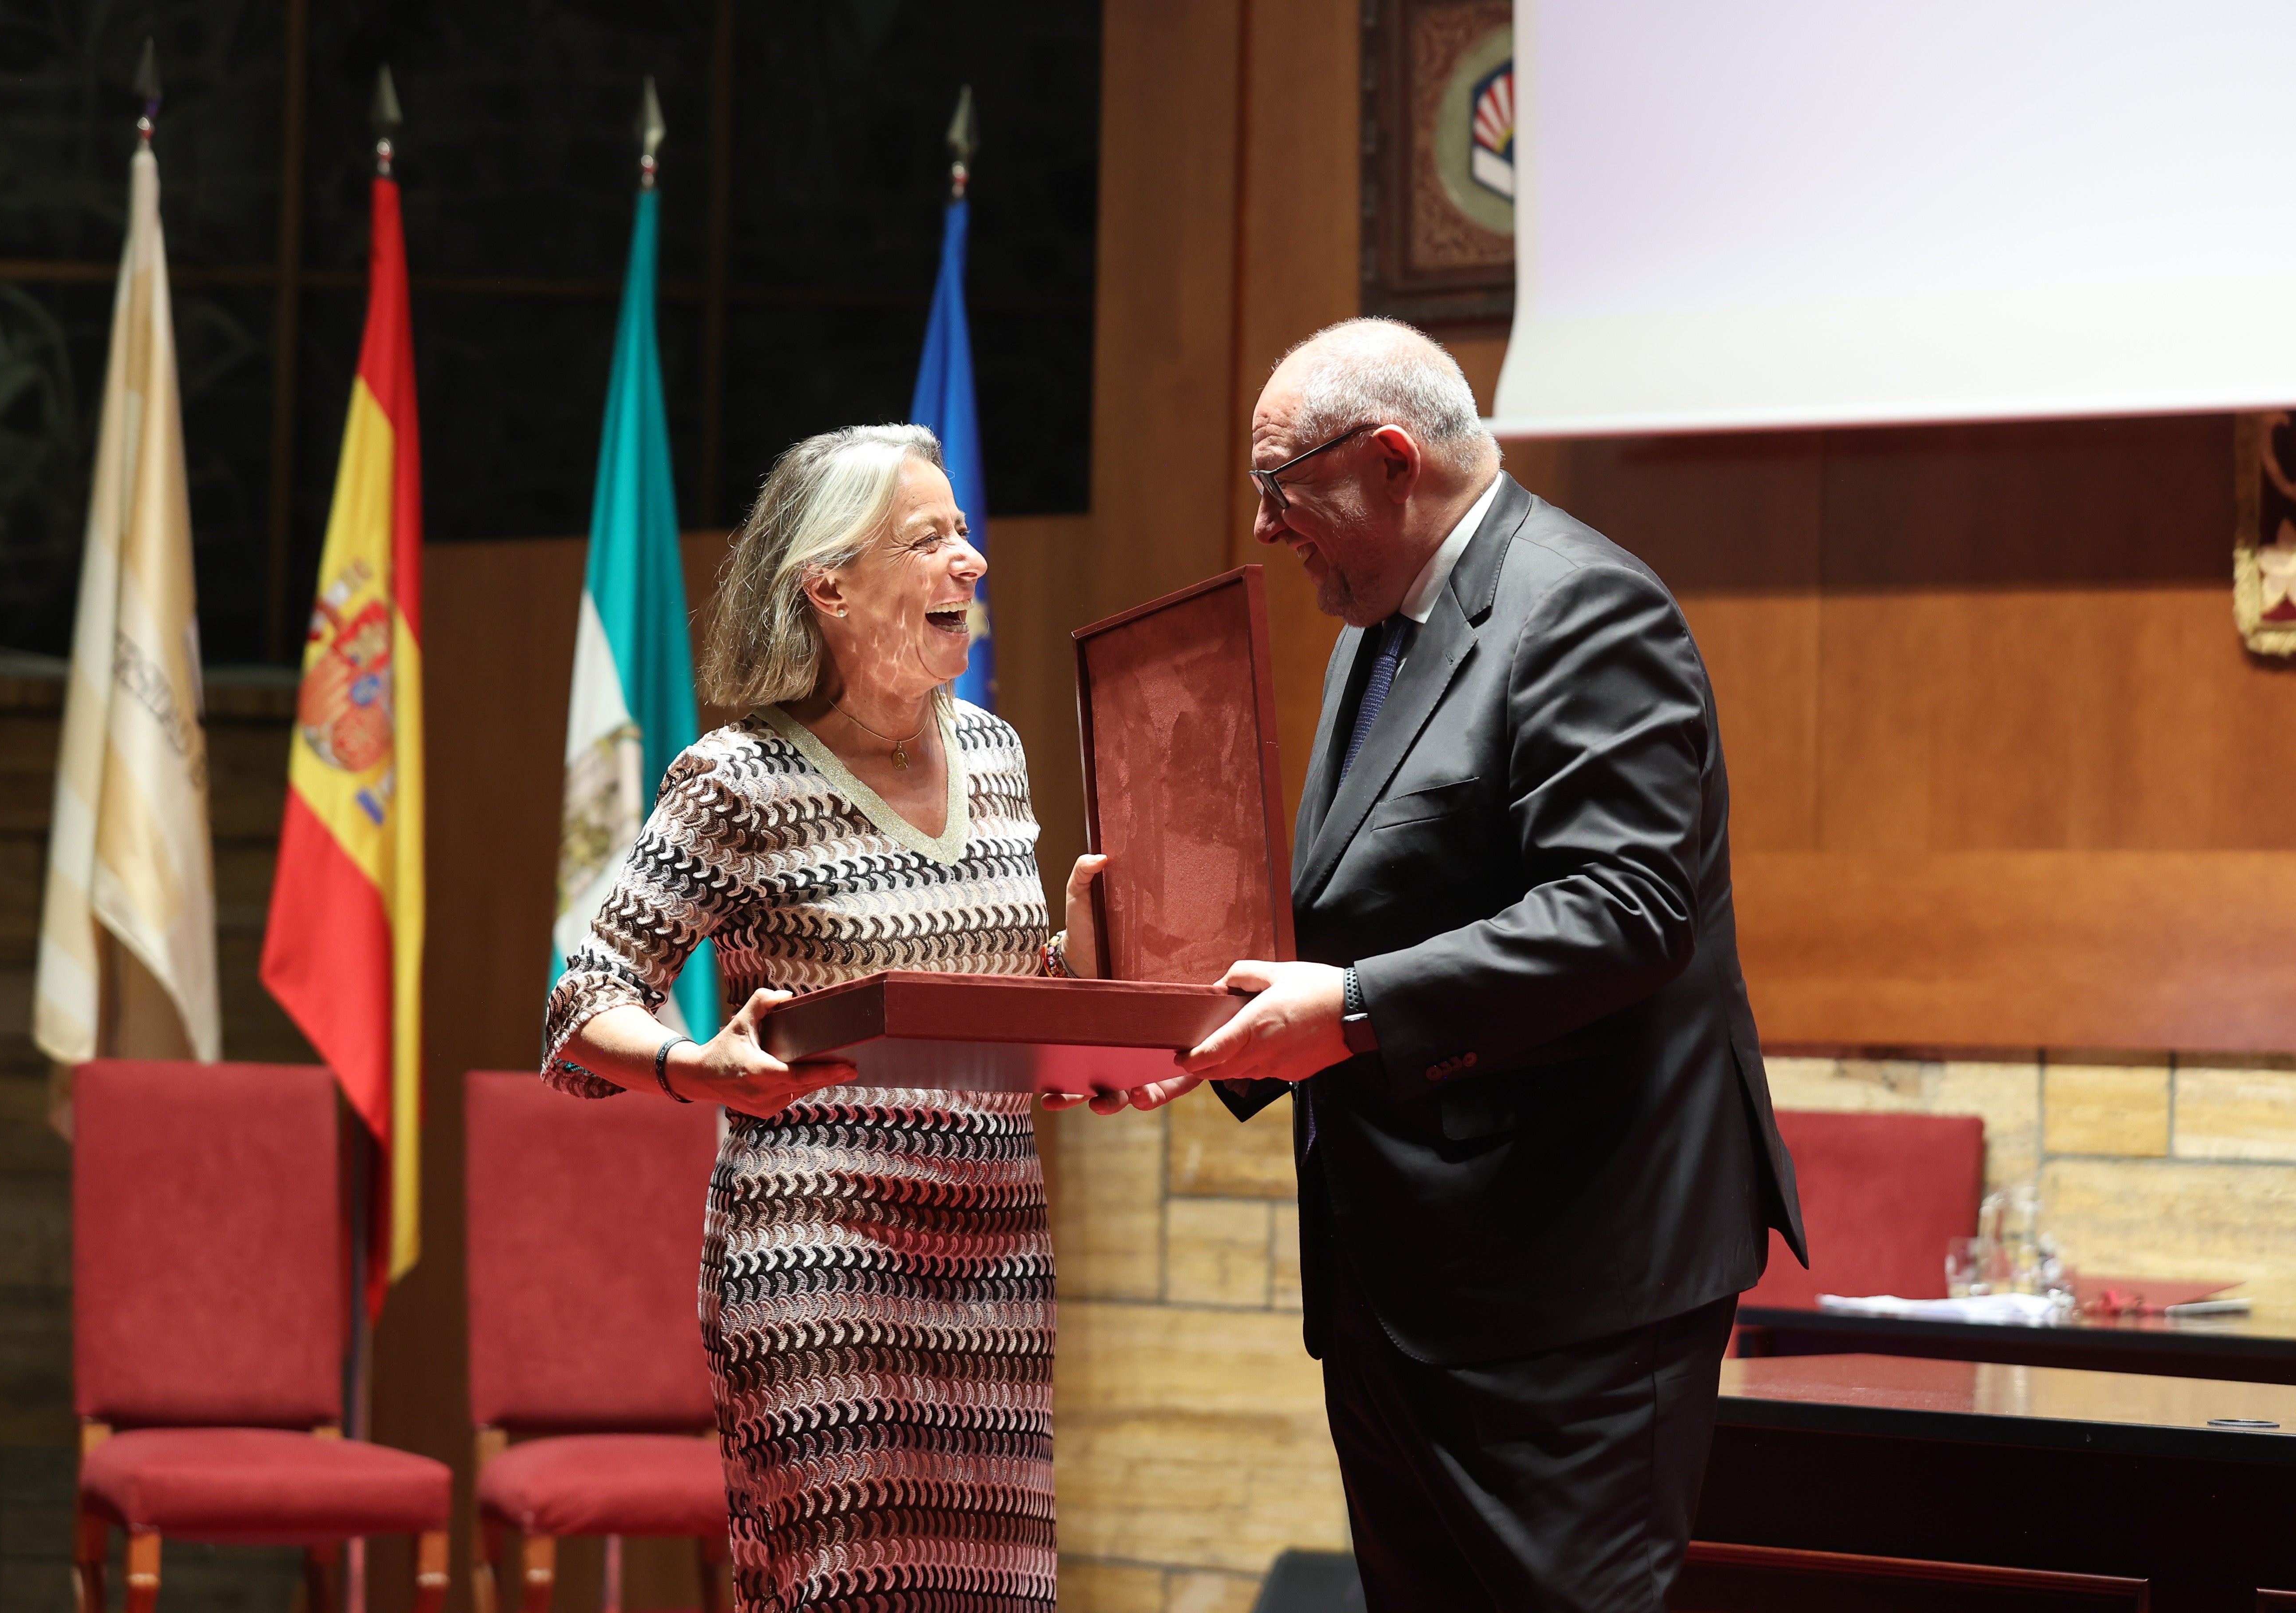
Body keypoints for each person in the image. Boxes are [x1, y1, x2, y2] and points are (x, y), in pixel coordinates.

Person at [1100, 319, 1807, 1611]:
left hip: (1569, 1288)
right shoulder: (1371, 631)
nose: (1265, 528)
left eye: (1281, 489)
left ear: (1388, 460)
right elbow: (1345, 919)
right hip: (1403, 1289)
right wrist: (1177, 1030)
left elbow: (1629, 908)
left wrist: (1358, 1013)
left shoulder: (1585, 606)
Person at [541, 424, 1106, 1613]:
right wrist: (700, 1069)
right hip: (824, 1273)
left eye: (963, 532)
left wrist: (1091, 983)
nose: (972, 561)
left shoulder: (996, 757)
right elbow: (584, 996)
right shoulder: (738, 779)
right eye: (930, 538)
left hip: (994, 1265)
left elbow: (996, 987)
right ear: (830, 586)